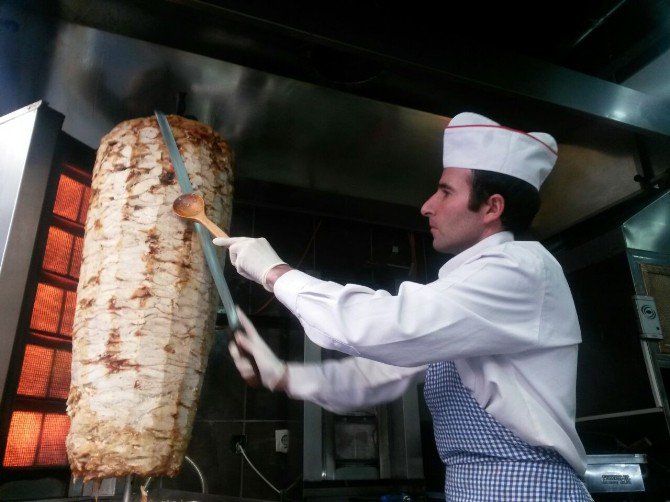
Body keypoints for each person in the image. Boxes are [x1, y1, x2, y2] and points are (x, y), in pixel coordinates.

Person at [215, 112, 593, 501]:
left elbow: (383, 326)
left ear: (492, 207)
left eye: (445, 192)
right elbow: (378, 373)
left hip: (527, 490)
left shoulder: (522, 269)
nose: (427, 206)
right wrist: (283, 376)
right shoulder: (469, 289)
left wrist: (276, 273)